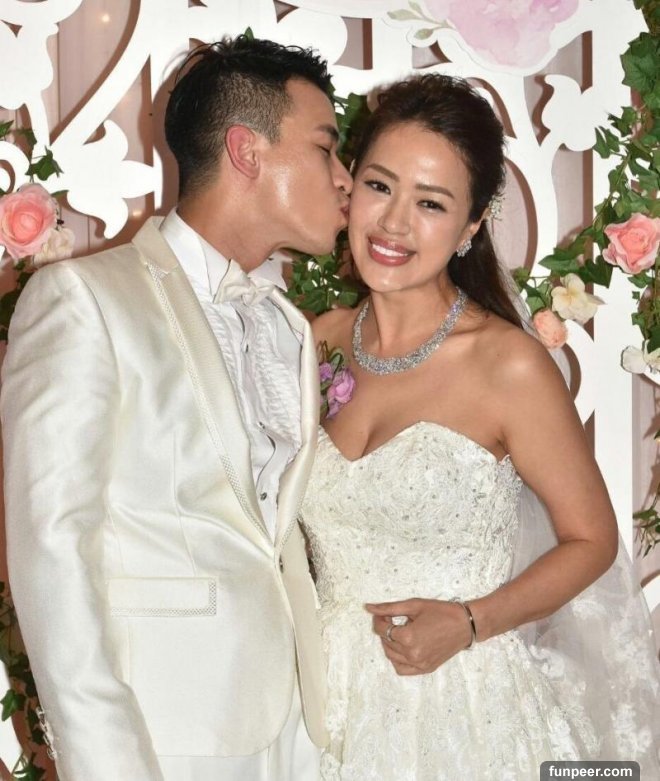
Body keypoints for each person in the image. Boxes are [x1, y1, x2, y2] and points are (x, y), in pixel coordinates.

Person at [1, 35, 351, 781]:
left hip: (297, 734)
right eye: (326, 149)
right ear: (247, 151)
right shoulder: (84, 300)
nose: (345, 179)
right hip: (161, 737)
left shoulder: (289, 327)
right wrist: (108, 764)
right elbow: (53, 550)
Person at [300, 73, 660, 780]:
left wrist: (470, 622)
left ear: (469, 227)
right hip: (321, 704)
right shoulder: (316, 341)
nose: (394, 223)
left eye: (430, 203)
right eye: (380, 186)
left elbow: (591, 541)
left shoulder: (508, 364)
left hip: (462, 710)